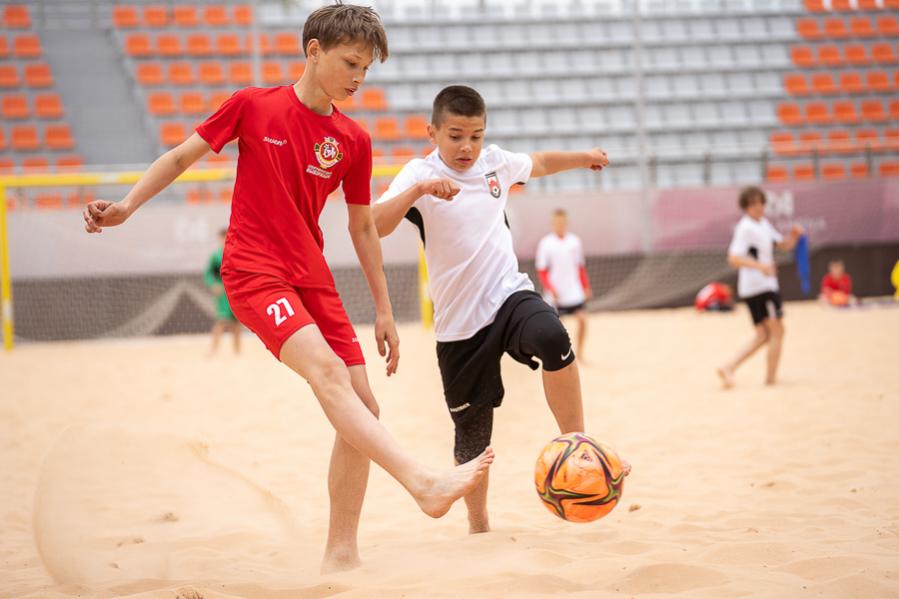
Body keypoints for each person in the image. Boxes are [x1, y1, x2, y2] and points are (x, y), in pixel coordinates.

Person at [81, 5, 492, 573]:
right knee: (328, 375)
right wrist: (127, 205)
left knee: (364, 405)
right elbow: (180, 157)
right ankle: (422, 483)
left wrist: (384, 309)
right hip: (254, 271)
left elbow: (362, 227)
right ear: (313, 51)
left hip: (312, 276)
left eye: (366, 68)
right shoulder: (253, 105)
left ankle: (340, 554)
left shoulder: (353, 139)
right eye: (351, 63)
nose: (358, 77)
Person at [372, 85, 625, 534]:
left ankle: (577, 446)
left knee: (552, 336)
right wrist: (419, 190)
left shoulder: (495, 163)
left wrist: (584, 157)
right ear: (432, 132)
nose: (466, 147)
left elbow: (540, 162)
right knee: (472, 437)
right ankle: (479, 523)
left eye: (476, 136)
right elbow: (374, 224)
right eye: (455, 136)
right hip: (459, 327)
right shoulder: (418, 172)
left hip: (508, 296)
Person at [717, 186, 803, 389]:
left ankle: (728, 367)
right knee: (778, 330)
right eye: (754, 204)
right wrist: (761, 267)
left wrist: (793, 237)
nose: (759, 207)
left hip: (761, 286)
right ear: (746, 207)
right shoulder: (745, 227)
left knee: (763, 334)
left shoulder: (763, 224)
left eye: (761, 203)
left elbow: (782, 245)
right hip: (759, 286)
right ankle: (771, 380)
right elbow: (733, 258)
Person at [536, 209, 593, 360]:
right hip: (557, 293)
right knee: (558, 328)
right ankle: (562, 356)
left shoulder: (575, 241)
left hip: (574, 291)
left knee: (583, 320)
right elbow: (541, 270)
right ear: (552, 224)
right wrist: (550, 288)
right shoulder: (546, 243)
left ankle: (580, 354)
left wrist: (586, 286)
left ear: (566, 223)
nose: (560, 225)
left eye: (562, 223)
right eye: (557, 223)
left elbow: (580, 267)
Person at [205, 227, 241, 355]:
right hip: (223, 295)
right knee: (221, 321)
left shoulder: (237, 254)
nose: (224, 240)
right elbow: (209, 273)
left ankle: (237, 351)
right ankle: (213, 350)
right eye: (222, 238)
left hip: (236, 292)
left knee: (236, 323)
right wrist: (213, 284)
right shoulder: (216, 257)